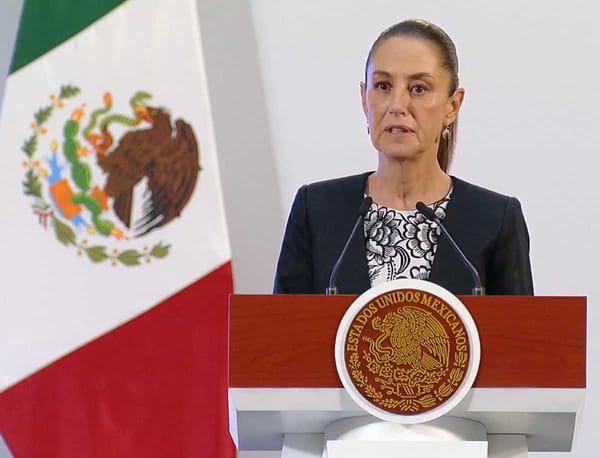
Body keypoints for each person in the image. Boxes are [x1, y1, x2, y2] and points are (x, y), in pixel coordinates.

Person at [273, 19, 533, 296]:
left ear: (452, 105)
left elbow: (521, 336)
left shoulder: (495, 219)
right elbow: (281, 333)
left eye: (418, 88)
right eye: (383, 86)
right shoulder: (316, 210)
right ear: (364, 99)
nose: (397, 105)